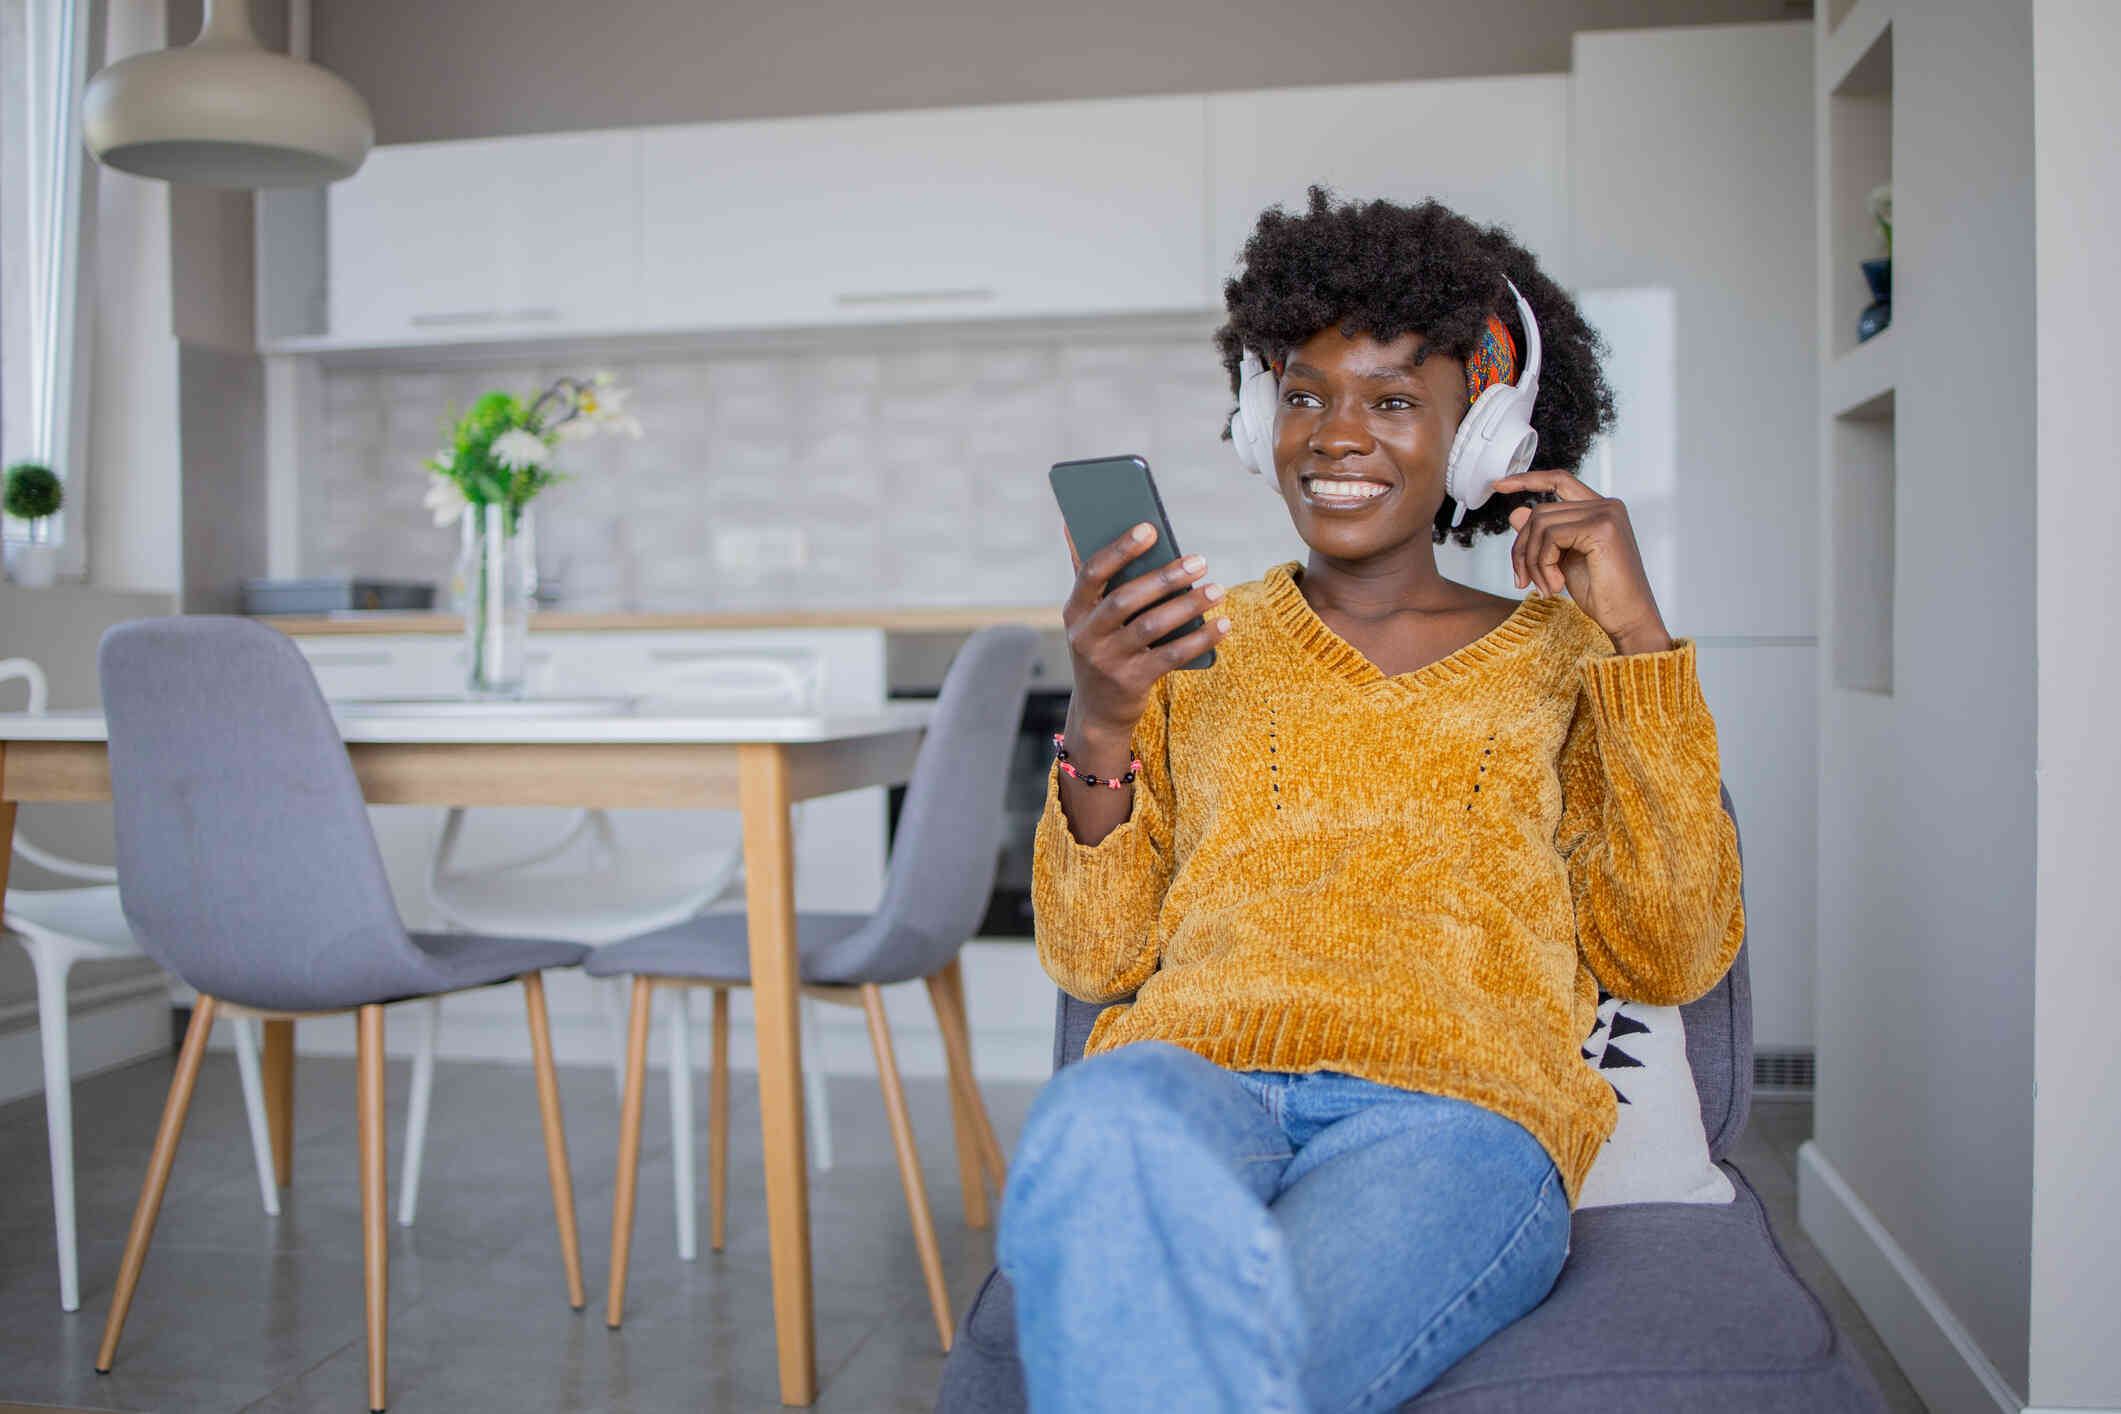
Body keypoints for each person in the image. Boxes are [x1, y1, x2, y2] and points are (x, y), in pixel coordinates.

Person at [996, 188, 1746, 1413]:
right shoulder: (1191, 651)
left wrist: (1639, 636)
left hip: (1453, 1118)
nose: (1338, 436)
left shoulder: (1573, 658)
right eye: (1304, 394)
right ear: (1257, 417)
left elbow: (1667, 950)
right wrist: (1102, 714)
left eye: (1395, 401)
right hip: (1191, 1076)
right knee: (1096, 1127)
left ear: (1483, 435)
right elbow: (1094, 955)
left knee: (1246, 1360)